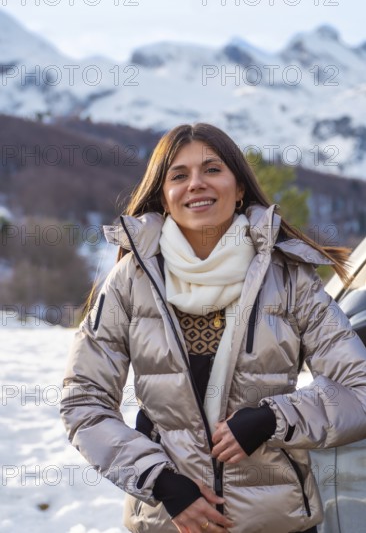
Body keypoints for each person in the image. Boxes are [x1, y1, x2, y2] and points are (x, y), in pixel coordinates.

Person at [60, 123, 366, 533]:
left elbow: (359, 389)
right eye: (179, 175)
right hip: (168, 521)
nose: (196, 184)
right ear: (164, 196)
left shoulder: (290, 278)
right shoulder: (130, 281)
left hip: (277, 521)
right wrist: (161, 482)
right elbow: (83, 402)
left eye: (212, 170)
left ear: (239, 188)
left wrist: (272, 419)